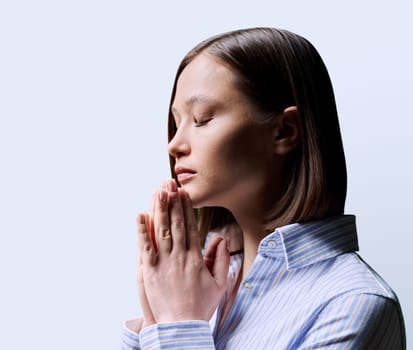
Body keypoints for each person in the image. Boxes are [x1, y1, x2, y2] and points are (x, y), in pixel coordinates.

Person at [121, 27, 406, 349]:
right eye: (177, 122)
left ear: (284, 131)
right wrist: (156, 317)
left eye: (201, 119)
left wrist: (178, 324)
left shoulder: (351, 304)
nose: (175, 144)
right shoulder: (195, 279)